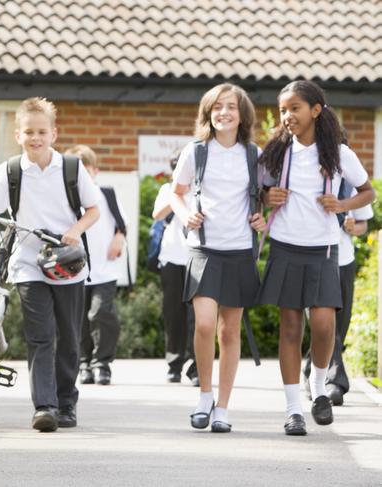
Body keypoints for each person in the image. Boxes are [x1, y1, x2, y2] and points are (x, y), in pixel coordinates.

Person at [0, 97, 100, 432]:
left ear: (53, 134)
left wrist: (74, 231)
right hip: (28, 263)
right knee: (41, 335)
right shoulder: (11, 171)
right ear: (18, 135)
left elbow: (93, 209)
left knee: (70, 338)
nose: (36, 137)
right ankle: (44, 407)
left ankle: (66, 403)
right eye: (29, 131)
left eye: (42, 131)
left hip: (67, 263)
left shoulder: (72, 168)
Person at [259, 80, 375, 436]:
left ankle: (319, 387)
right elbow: (258, 192)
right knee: (291, 328)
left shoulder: (339, 153)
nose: (287, 116)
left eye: (294, 108)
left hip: (324, 249)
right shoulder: (276, 152)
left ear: (315, 110)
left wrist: (341, 205)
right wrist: (268, 196)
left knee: (325, 326)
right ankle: (293, 409)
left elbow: (367, 191)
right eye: (283, 110)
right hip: (285, 246)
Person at [170, 83, 266, 433]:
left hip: (240, 251)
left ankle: (223, 408)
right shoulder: (195, 152)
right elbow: (176, 193)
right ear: (208, 113)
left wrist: (262, 217)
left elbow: (269, 196)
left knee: (229, 331)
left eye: (231, 107)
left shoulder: (254, 155)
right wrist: (184, 216)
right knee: (206, 324)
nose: (223, 113)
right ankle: (204, 396)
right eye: (217, 107)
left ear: (243, 115)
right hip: (204, 249)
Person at [303, 188, 373, 406]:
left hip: (343, 261)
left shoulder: (351, 185)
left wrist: (354, 227)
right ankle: (334, 382)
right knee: (323, 324)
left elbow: (364, 224)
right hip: (312, 259)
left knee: (340, 324)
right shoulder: (309, 179)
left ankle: (311, 371)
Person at [64, 145, 125, 386]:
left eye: (85, 169)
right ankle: (83, 363)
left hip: (105, 269)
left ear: (95, 171)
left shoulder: (105, 194)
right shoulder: (66, 198)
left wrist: (119, 237)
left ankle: (103, 363)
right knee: (78, 318)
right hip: (75, 270)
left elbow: (122, 223)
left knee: (100, 312)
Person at [152, 154, 198, 386]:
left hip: (197, 259)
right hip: (171, 259)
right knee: (174, 314)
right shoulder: (168, 189)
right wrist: (177, 194)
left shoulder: (202, 189)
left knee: (198, 315)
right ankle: (174, 364)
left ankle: (196, 366)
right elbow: (157, 215)